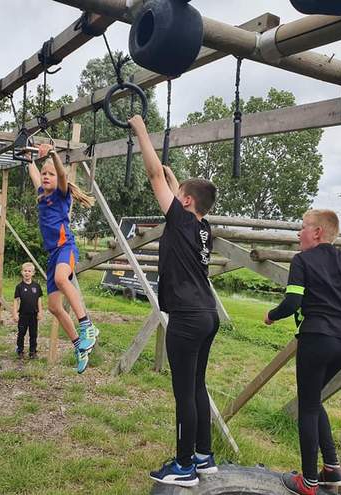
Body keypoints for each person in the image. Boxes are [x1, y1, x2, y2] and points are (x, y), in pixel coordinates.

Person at [264, 209, 341, 494]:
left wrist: (271, 315)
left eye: (303, 227)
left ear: (317, 232)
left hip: (316, 339)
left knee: (307, 407)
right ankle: (332, 468)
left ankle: (307, 482)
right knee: (313, 399)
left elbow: (293, 301)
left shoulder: (302, 261)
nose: (299, 233)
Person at [129, 115, 219, 488]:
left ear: (184, 201)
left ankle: (184, 466)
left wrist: (140, 130)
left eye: (177, 192)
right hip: (206, 315)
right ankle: (203, 455)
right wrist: (172, 175)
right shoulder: (202, 228)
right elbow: (169, 184)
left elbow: (153, 178)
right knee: (197, 386)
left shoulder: (181, 221)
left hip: (186, 317)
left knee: (184, 391)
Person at [26, 143, 98, 374]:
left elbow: (62, 174)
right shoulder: (41, 194)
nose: (46, 177)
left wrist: (54, 155)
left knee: (61, 279)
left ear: (58, 179)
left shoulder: (62, 194)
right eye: (45, 174)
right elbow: (34, 175)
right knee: (54, 308)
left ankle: (87, 325)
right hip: (52, 255)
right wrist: (29, 159)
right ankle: (79, 345)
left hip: (66, 247)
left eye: (51, 174)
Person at [13, 262, 44, 359]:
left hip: (33, 315)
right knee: (21, 333)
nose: (27, 273)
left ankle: (33, 351)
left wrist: (40, 312)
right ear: (22, 272)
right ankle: (20, 350)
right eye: (25, 271)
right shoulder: (19, 287)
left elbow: (39, 300)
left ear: (33, 273)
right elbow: (16, 301)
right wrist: (15, 313)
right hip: (23, 314)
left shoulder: (37, 286)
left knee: (33, 334)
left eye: (29, 271)